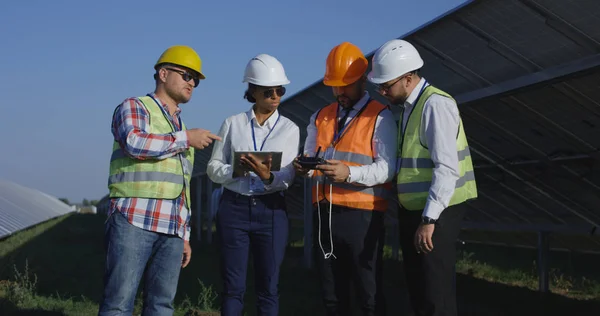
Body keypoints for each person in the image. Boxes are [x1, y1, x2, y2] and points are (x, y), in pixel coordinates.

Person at [99, 45, 221, 316]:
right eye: (187, 75)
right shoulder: (135, 106)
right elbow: (134, 142)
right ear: (163, 74)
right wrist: (186, 139)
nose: (192, 83)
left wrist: (184, 235)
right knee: (119, 304)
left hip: (171, 231)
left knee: (162, 306)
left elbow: (181, 187)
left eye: (196, 80)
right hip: (134, 220)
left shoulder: (180, 127)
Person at [368, 39, 478, 316]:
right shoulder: (408, 107)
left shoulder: (435, 105)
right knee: (418, 290)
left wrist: (429, 220)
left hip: (436, 212)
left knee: (434, 294)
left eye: (386, 85)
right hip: (416, 211)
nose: (382, 92)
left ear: (407, 79)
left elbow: (446, 167)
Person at [294, 42, 397, 316]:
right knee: (331, 294)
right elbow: (309, 156)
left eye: (346, 85)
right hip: (325, 215)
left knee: (368, 293)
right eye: (335, 85)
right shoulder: (319, 117)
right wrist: (303, 168)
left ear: (362, 80)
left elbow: (387, 168)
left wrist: (349, 173)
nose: (340, 91)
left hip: (362, 217)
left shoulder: (381, 116)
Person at [207, 54, 300, 316]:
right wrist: (237, 171)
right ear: (253, 91)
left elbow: (288, 177)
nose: (275, 95)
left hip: (271, 212)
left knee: (268, 287)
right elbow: (213, 168)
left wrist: (266, 176)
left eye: (280, 89)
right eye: (269, 90)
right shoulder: (232, 124)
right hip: (233, 209)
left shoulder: (290, 129)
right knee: (233, 287)